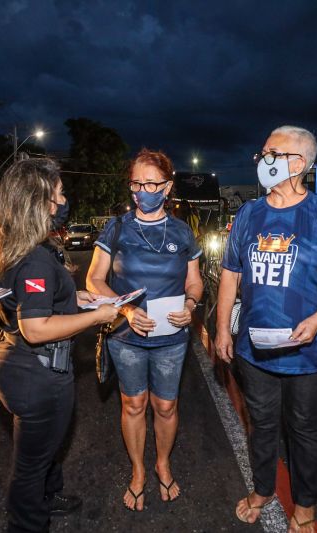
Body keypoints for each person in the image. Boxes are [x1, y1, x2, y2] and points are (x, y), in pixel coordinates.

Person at [214, 126, 317, 532]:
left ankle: (306, 505)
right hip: (254, 349)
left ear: (297, 164)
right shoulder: (249, 214)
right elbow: (230, 273)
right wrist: (223, 330)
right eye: (262, 152)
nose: (262, 159)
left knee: (304, 428)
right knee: (261, 424)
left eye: (270, 153)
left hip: (308, 351)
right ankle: (263, 490)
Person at [0, 158, 118, 532]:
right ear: (38, 202)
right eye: (58, 194)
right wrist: (96, 317)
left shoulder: (17, 244)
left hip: (18, 364)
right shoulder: (35, 259)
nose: (64, 200)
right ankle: (27, 522)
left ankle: (48, 494)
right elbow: (37, 328)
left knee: (42, 451)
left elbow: (34, 301)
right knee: (31, 464)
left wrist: (80, 298)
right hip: (35, 372)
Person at [86, 148, 204, 511]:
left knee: (165, 406)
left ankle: (162, 463)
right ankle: (137, 471)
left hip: (171, 334)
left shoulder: (183, 232)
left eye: (151, 183)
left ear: (167, 187)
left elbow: (195, 282)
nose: (143, 190)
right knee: (133, 403)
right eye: (136, 183)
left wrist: (190, 306)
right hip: (127, 334)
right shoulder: (117, 227)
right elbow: (94, 279)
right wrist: (125, 309)